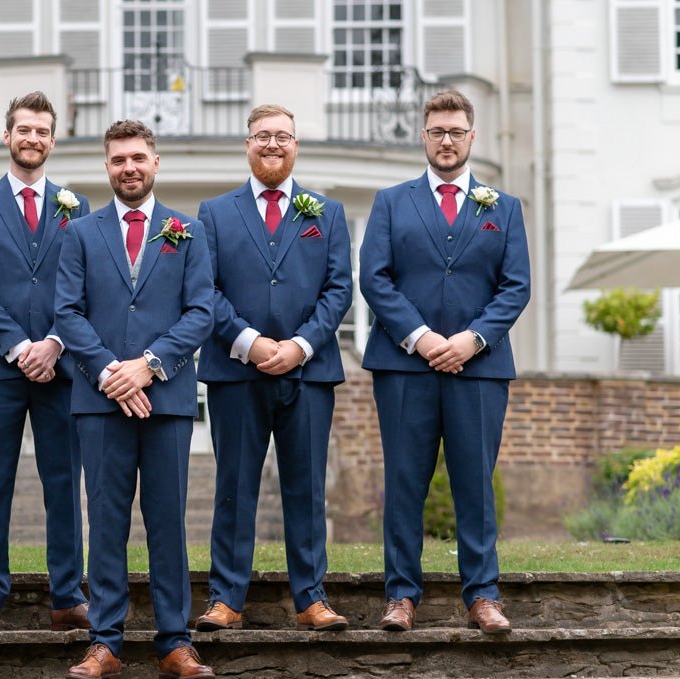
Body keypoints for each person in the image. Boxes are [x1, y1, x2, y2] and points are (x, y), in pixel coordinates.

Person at [359, 88, 530, 634]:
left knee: (475, 483)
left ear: (471, 136)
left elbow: (516, 286)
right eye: (437, 131)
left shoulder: (504, 208)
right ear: (424, 136)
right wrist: (422, 337)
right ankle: (401, 596)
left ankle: (482, 595)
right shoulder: (391, 202)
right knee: (404, 482)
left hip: (479, 368)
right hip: (404, 366)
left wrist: (472, 340)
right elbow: (375, 279)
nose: (447, 140)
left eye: (456, 131)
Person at [55, 120, 215, 679]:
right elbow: (67, 312)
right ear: (107, 166)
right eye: (119, 159)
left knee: (168, 522)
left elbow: (201, 311)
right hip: (100, 403)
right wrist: (109, 372)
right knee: (105, 522)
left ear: (155, 162)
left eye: (138, 158)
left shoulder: (187, 231)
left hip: (166, 400)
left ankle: (175, 642)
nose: (129, 168)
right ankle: (105, 642)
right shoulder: (80, 233)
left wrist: (147, 366)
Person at [194, 104, 353, 633]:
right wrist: (251, 342)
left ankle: (311, 597)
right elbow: (204, 289)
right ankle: (226, 599)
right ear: (248, 145)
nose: (272, 144)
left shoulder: (327, 214)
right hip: (237, 372)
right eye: (263, 136)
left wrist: (301, 346)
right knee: (234, 486)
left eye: (283, 136)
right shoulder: (215, 213)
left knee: (306, 488)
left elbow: (339, 289)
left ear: (295, 146)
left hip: (308, 373)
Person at [0, 92, 90, 635]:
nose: (32, 138)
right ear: (7, 135)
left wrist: (55, 342)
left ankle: (68, 595)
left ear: (52, 140)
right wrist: (18, 346)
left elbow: (83, 285)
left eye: (41, 131)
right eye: (24, 129)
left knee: (64, 483)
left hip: (62, 369)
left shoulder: (75, 207)